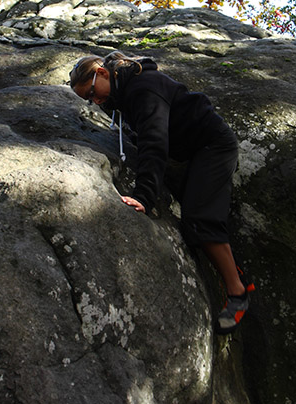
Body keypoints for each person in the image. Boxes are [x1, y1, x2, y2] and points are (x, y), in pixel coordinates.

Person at [69, 51, 253, 334]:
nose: (95, 101)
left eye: (93, 92)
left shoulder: (143, 87)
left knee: (199, 217)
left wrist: (143, 196)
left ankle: (238, 292)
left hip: (213, 145)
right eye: (88, 100)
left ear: (103, 74)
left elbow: (154, 142)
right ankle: (235, 273)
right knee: (192, 220)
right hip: (190, 151)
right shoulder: (121, 93)